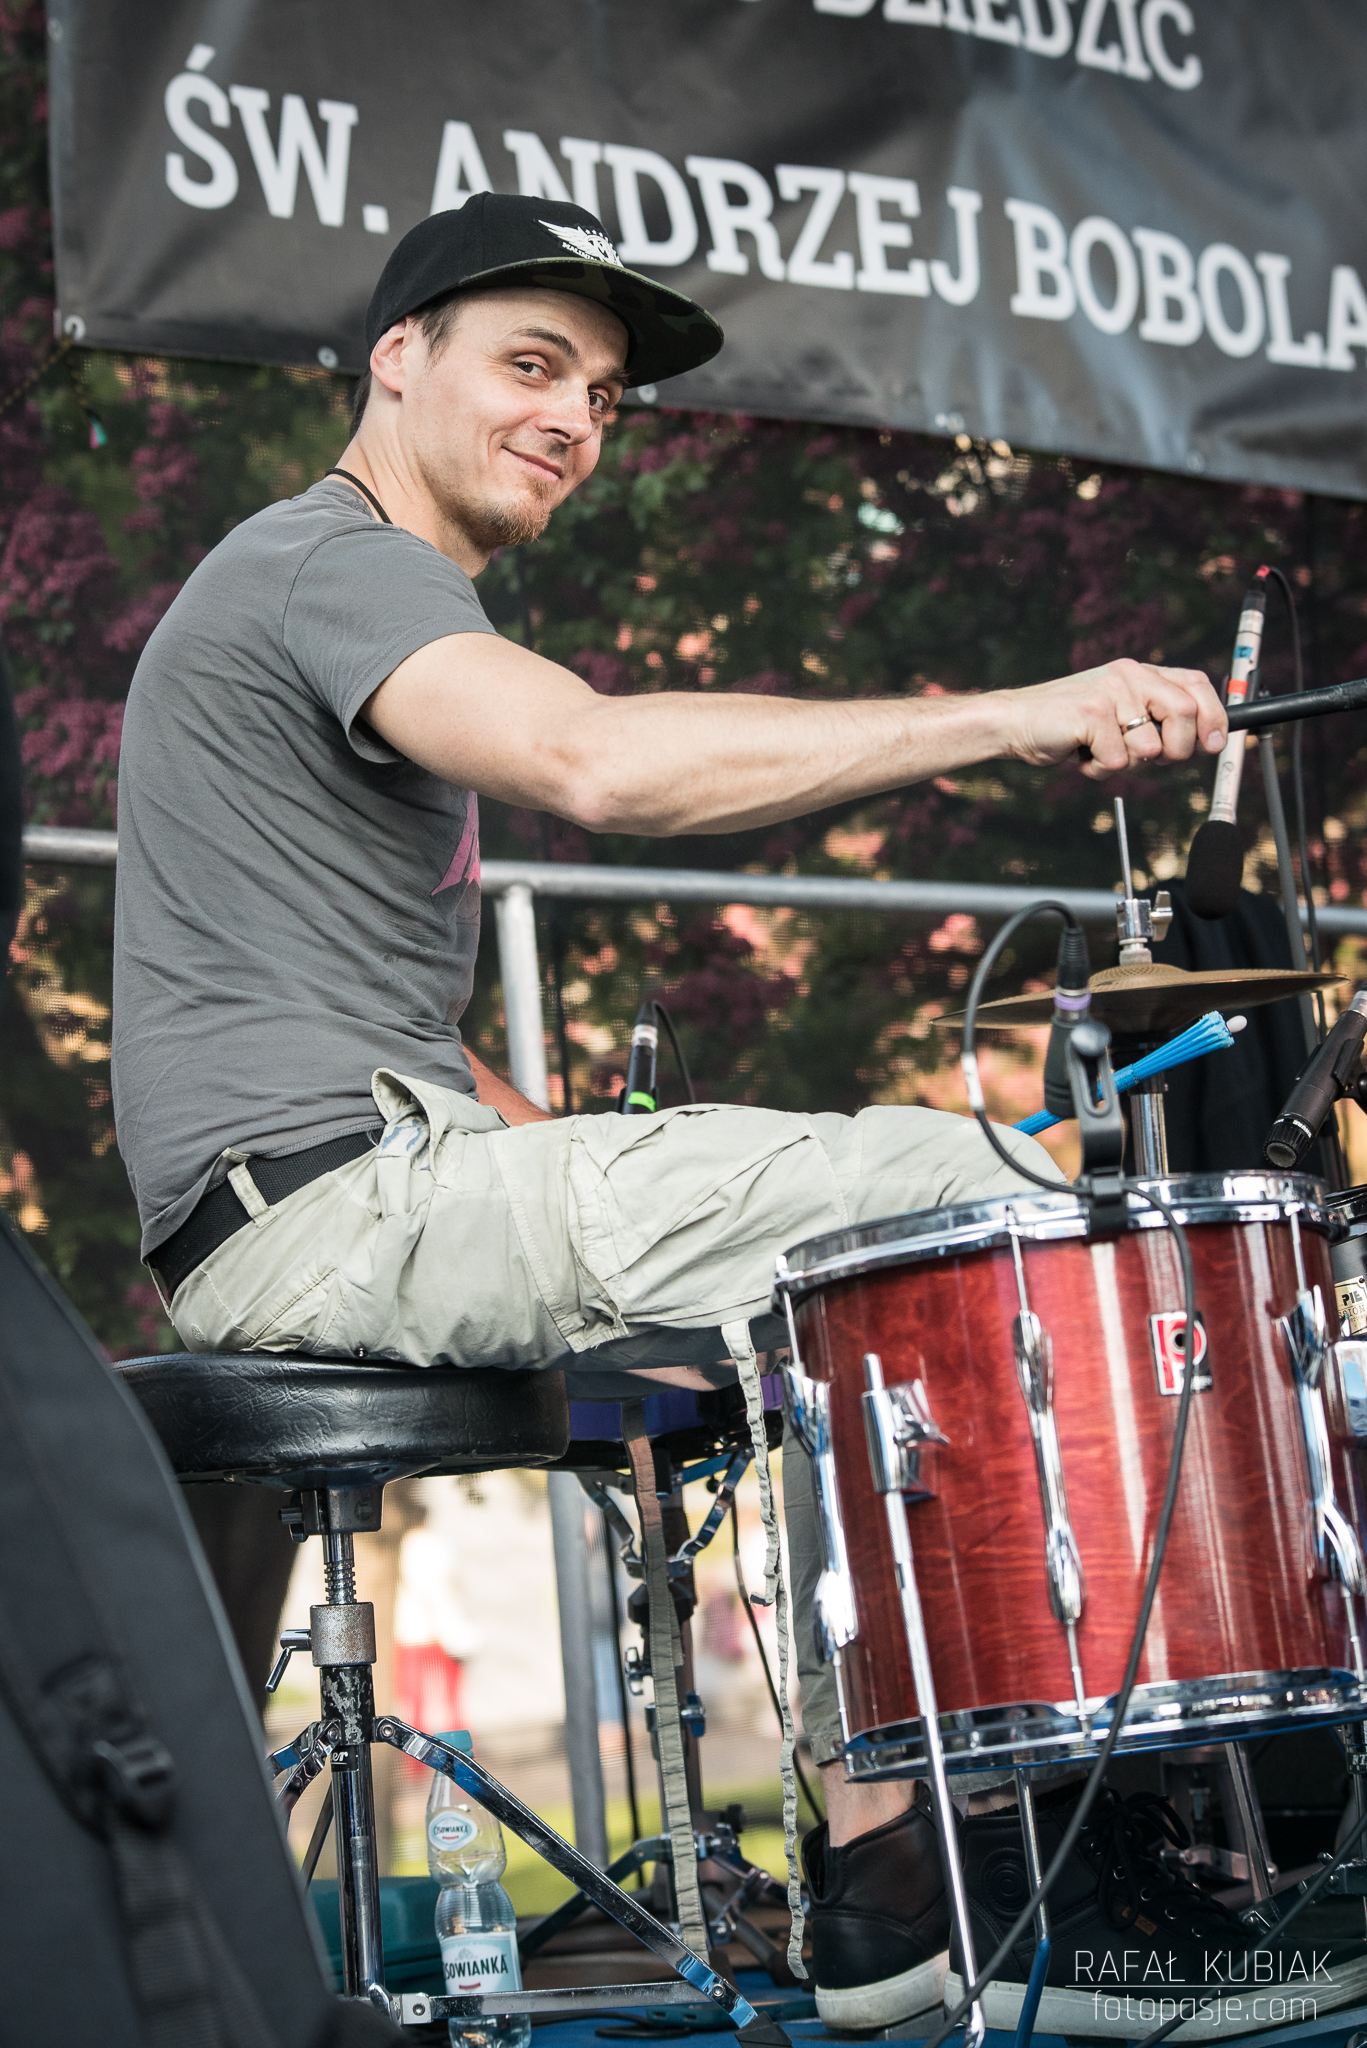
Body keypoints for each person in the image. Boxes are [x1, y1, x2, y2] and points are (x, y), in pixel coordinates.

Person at [112, 195, 1354, 2038]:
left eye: (603, 396)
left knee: (823, 1277)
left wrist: (628, 1175)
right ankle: (959, 1879)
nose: (573, 418)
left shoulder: (349, 603)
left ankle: (904, 1860)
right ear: (397, 359)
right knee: (947, 1192)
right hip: (333, 1208)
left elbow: (407, 1045)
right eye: (533, 365)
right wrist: (1018, 712)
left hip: (335, 1192)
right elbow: (594, 760)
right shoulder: (335, 564)